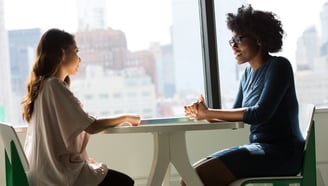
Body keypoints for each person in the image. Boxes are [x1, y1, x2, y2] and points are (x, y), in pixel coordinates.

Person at [183, 4, 305, 186]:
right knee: (189, 178)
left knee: (196, 180)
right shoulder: (247, 75)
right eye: (231, 41)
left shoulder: (279, 66)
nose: (233, 46)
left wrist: (209, 113)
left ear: (259, 39)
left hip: (281, 154)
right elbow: (235, 119)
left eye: (238, 39)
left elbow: (259, 113)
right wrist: (204, 114)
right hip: (259, 149)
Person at [22, 28, 141, 186]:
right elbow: (91, 126)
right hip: (57, 175)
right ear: (62, 53)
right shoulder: (54, 86)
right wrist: (126, 117)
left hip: (41, 174)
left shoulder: (42, 87)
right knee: (124, 182)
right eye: (76, 51)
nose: (80, 59)